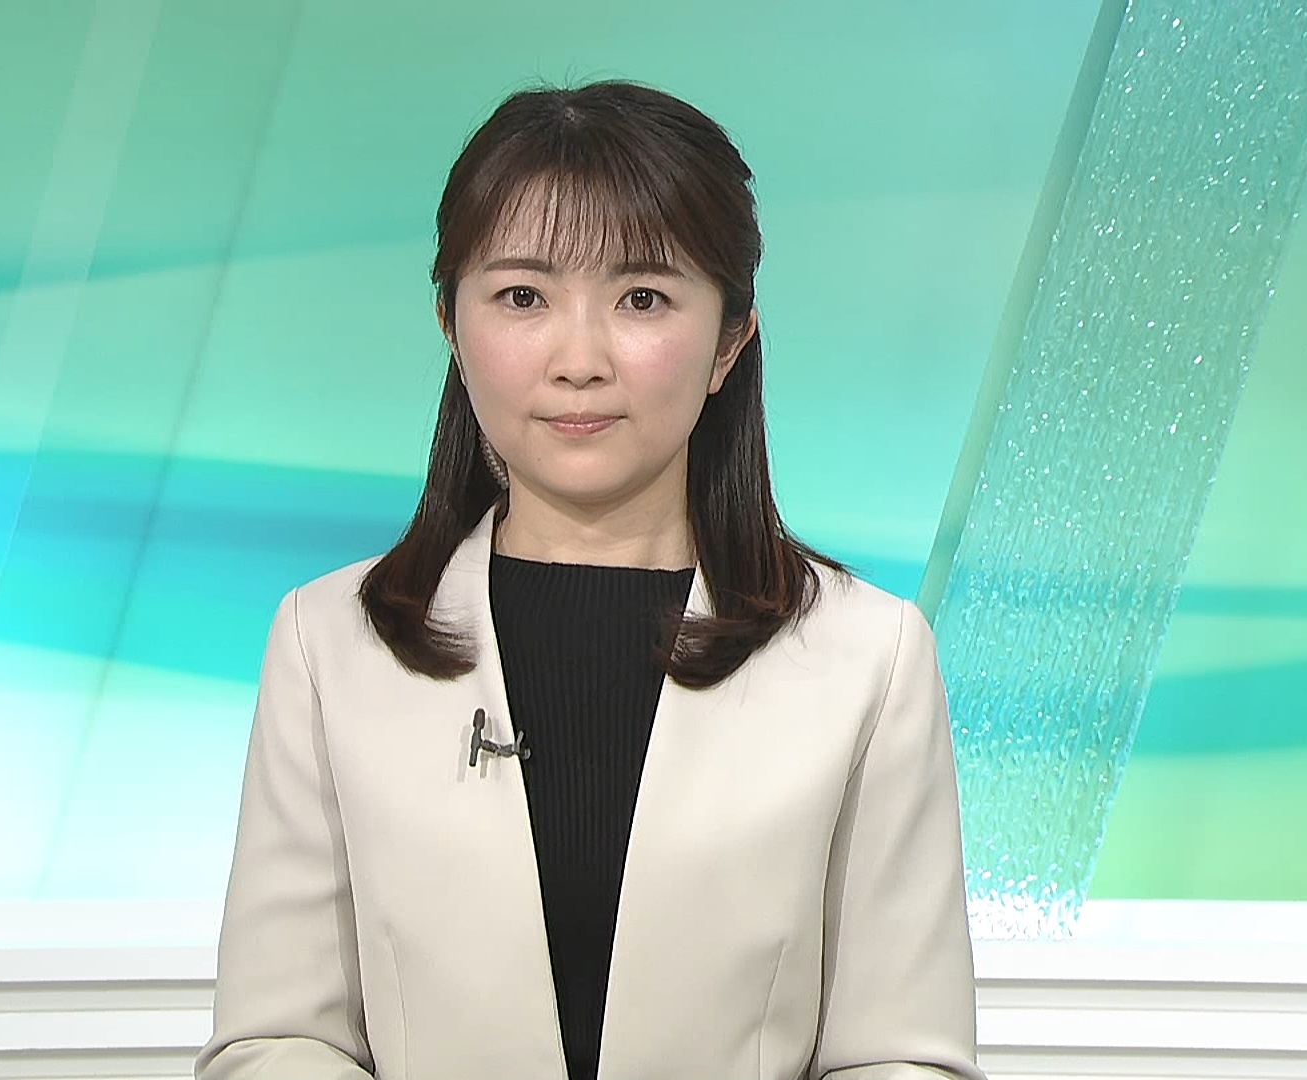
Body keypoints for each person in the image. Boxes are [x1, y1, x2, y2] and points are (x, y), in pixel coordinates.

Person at [193, 79, 987, 1080]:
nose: (579, 360)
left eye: (641, 298)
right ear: (451, 326)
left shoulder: (868, 657)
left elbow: (903, 1056)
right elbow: (277, 1038)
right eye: (523, 297)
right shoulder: (328, 644)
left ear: (729, 340)